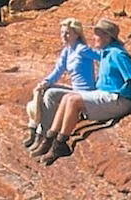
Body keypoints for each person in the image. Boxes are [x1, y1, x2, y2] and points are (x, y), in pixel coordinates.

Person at [34, 19, 131, 164]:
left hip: (119, 99)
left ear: (107, 37)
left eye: (97, 35)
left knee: (72, 100)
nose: (93, 38)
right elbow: (59, 68)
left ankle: (60, 144)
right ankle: (50, 139)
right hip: (105, 95)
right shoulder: (106, 52)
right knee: (68, 97)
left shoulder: (117, 54)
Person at [25, 19, 98, 152]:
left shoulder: (82, 49)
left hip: (85, 92)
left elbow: (102, 57)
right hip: (75, 89)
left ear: (76, 34)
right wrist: (45, 82)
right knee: (45, 90)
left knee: (51, 94)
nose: (64, 36)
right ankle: (37, 132)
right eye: (62, 32)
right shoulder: (67, 50)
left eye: (68, 33)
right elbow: (58, 70)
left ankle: (44, 135)